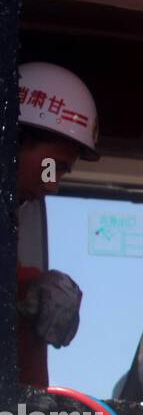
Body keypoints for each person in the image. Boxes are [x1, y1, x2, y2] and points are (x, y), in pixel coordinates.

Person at [14, 62, 98, 387]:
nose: (52, 185)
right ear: (14, 140)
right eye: (54, 167)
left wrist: (31, 291)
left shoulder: (21, 213)